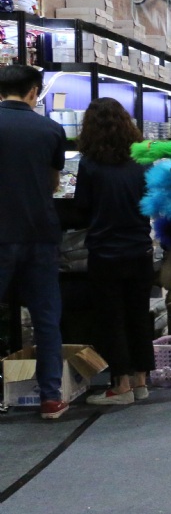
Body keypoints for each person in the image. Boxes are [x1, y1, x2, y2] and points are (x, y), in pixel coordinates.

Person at [73, 98, 154, 406]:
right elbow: (151, 200)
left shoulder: (89, 164)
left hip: (105, 251)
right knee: (139, 315)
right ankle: (141, 381)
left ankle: (120, 386)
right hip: (140, 249)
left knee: (112, 318)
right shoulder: (142, 160)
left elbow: (82, 207)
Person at [0, 65, 68, 419]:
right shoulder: (51, 129)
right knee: (46, 318)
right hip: (41, 233)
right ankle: (51, 398)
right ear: (34, 92)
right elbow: (54, 183)